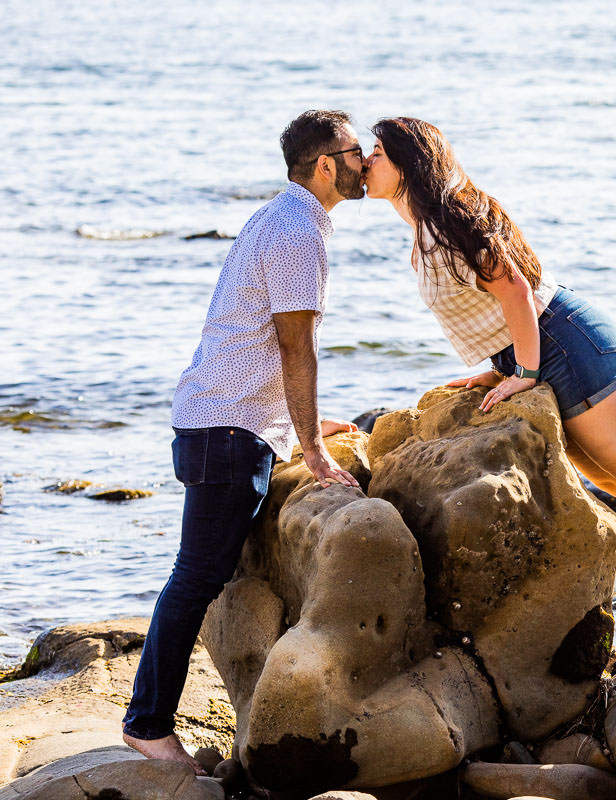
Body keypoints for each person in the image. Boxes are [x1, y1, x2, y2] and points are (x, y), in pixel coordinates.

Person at [363, 117, 616, 641]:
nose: (365, 160)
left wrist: (525, 372)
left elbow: (516, 289)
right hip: (538, 344)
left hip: (563, 340)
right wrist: (499, 368)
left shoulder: (449, 216)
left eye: (377, 151)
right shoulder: (425, 225)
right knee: (613, 480)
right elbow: (487, 303)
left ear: (407, 163)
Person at [121, 110, 364, 774]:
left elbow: (260, 339)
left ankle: (154, 718)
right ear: (324, 164)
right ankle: (146, 725)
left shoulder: (285, 219)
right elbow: (295, 345)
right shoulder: (294, 230)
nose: (365, 161)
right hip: (226, 430)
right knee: (195, 578)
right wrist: (311, 446)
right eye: (356, 150)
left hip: (224, 422)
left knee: (198, 575)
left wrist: (307, 424)